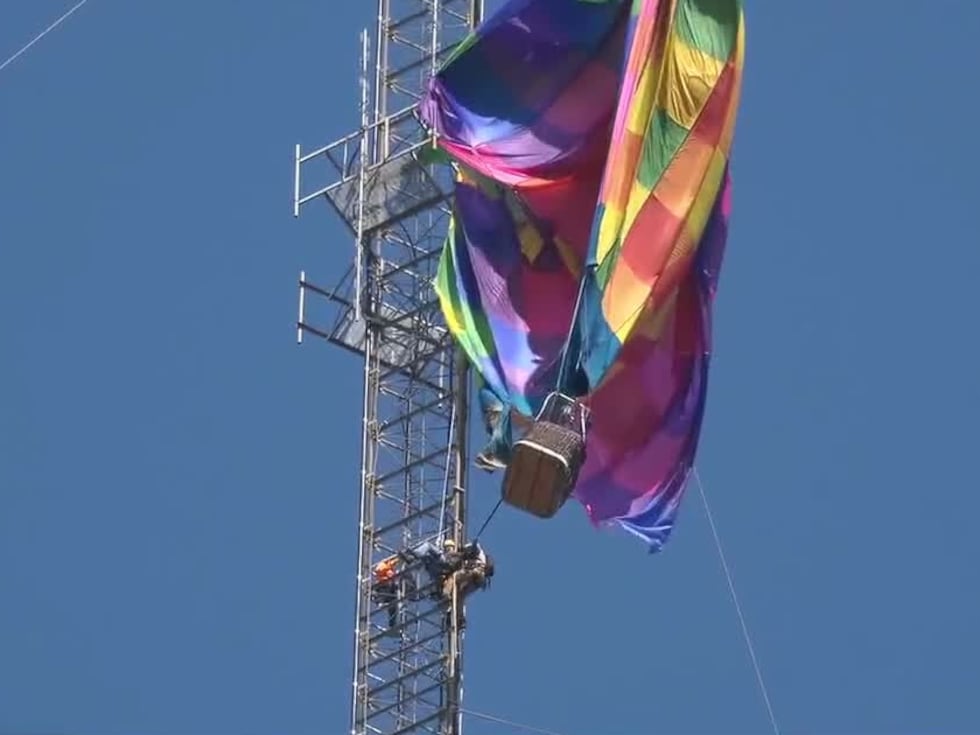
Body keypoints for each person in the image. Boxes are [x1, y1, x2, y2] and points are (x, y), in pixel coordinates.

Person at [371, 555, 400, 633]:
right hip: (384, 584)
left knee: (393, 605)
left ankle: (392, 625)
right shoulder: (383, 565)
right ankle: (380, 602)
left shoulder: (389, 568)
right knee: (384, 593)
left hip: (390, 586)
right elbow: (379, 570)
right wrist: (398, 559)